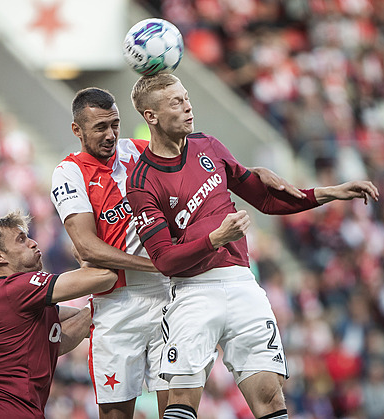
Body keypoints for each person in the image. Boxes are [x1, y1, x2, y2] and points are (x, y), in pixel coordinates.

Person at [126, 73, 379, 419]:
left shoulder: (209, 146)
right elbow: (165, 260)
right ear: (150, 116)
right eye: (176, 102)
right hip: (192, 292)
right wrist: (214, 239)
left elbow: (267, 199)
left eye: (186, 98)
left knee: (271, 400)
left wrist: (329, 193)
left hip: (244, 286)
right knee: (181, 400)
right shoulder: (141, 180)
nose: (188, 106)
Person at [50, 87, 307, 419]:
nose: (111, 134)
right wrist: (157, 262)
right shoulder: (69, 173)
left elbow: (202, 164)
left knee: (175, 406)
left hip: (167, 297)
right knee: (115, 413)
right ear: (77, 130)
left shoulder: (138, 151)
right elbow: (87, 247)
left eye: (115, 124)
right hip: (117, 303)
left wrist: (253, 172)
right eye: (100, 128)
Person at [0, 211, 118, 418]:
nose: (33, 243)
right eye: (21, 240)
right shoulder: (17, 288)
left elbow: (59, 339)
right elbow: (105, 277)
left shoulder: (2, 299)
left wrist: (96, 309)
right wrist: (86, 254)